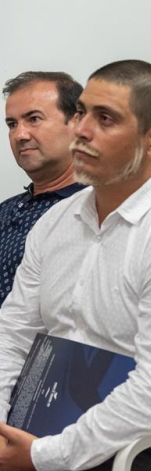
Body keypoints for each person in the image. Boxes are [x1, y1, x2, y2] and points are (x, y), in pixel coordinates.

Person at [0, 60, 151, 471]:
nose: (82, 130)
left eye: (105, 119)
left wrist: (41, 457)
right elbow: (13, 334)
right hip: (50, 419)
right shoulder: (56, 222)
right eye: (81, 112)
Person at [1, 72, 85, 306]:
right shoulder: (5, 210)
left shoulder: (96, 212)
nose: (20, 135)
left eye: (34, 119)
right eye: (12, 124)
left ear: (78, 123)